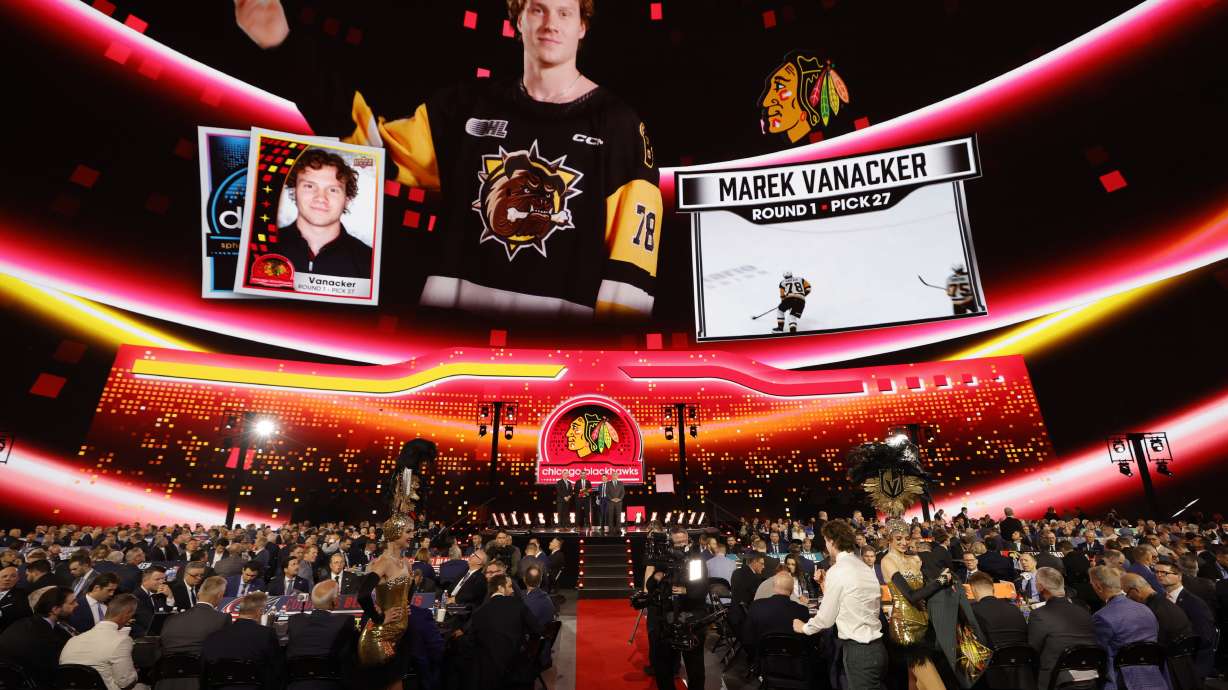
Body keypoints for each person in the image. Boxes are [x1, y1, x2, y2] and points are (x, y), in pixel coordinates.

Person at [235, 0, 662, 320]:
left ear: (583, 26)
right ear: (518, 19)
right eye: (537, 8)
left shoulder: (618, 123)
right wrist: (283, 47)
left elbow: (633, 262)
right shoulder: (464, 106)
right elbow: (370, 148)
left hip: (558, 342)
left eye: (565, 13)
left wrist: (607, 349)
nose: (551, 23)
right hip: (453, 332)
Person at [793, 520, 887, 690]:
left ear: (832, 541)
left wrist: (804, 627)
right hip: (877, 648)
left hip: (859, 651)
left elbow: (825, 620)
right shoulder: (863, 567)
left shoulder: (838, 570)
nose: (826, 545)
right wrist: (825, 584)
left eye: (826, 541)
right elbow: (851, 600)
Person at [275, 149, 373, 279]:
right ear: (294, 192)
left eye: (333, 190)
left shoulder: (369, 260)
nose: (321, 198)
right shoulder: (265, 245)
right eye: (309, 186)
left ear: (347, 200)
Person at [879, 528, 947, 690]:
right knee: (935, 686)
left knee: (916, 683)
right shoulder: (887, 561)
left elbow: (925, 588)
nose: (903, 542)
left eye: (907, 538)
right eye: (898, 538)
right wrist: (941, 580)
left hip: (923, 622)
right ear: (890, 539)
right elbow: (911, 596)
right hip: (905, 626)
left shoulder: (915, 559)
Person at [356, 506, 414, 690]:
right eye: (408, 531)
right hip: (379, 637)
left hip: (398, 634)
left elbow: (408, 588)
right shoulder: (383, 563)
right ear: (396, 533)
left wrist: (406, 604)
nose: (412, 535)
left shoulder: (405, 562)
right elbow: (363, 595)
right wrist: (380, 617)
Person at [1088, 565, 1167, 690]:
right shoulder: (1145, 609)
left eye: (1091, 584)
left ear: (1098, 586)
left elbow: (1097, 655)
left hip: (1122, 682)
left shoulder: (1102, 617)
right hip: (1154, 677)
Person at [460, 574, 544, 688]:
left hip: (487, 674)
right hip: (516, 667)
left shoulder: (478, 612)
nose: (512, 590)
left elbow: (472, 642)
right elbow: (538, 630)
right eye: (509, 586)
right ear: (500, 588)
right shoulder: (517, 604)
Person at [157, 575, 230, 690]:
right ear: (220, 596)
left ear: (198, 595)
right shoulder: (222, 619)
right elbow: (223, 651)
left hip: (165, 681)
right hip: (200, 681)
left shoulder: (172, 618)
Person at [286, 579, 360, 690]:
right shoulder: (345, 621)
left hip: (297, 685)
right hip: (332, 684)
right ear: (335, 601)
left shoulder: (294, 620)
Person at [200, 591, 283, 690]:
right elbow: (277, 670)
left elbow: (204, 674)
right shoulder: (266, 634)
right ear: (260, 611)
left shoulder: (213, 637)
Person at [59, 593, 142, 690]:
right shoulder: (122, 640)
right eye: (132, 615)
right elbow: (126, 682)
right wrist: (134, 673)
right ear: (127, 614)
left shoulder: (73, 640)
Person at [0, 586, 77, 689]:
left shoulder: (23, 623)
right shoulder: (47, 638)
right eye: (72, 603)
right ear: (55, 609)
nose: (77, 604)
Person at [1156, 557, 1217, 680]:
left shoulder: (1194, 603)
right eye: (1156, 572)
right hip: (1168, 657)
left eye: (1165, 573)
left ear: (1179, 576)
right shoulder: (1160, 599)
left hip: (1189, 660)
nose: (1159, 575)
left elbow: (1204, 636)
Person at [744, 571, 809, 661]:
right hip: (794, 663)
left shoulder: (756, 606)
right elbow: (808, 642)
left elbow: (748, 639)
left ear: (774, 588)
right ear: (791, 591)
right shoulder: (803, 611)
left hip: (763, 661)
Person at [132, 566, 175, 637]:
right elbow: (150, 622)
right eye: (157, 579)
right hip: (145, 637)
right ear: (145, 580)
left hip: (162, 634)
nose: (162, 582)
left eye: (164, 579)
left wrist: (170, 597)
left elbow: (169, 616)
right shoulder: (136, 597)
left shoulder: (162, 594)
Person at [0, 565, 31, 633]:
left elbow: (21, 614)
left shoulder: (22, 594)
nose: (7, 579)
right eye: (4, 576)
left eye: (13, 576)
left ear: (18, 579)